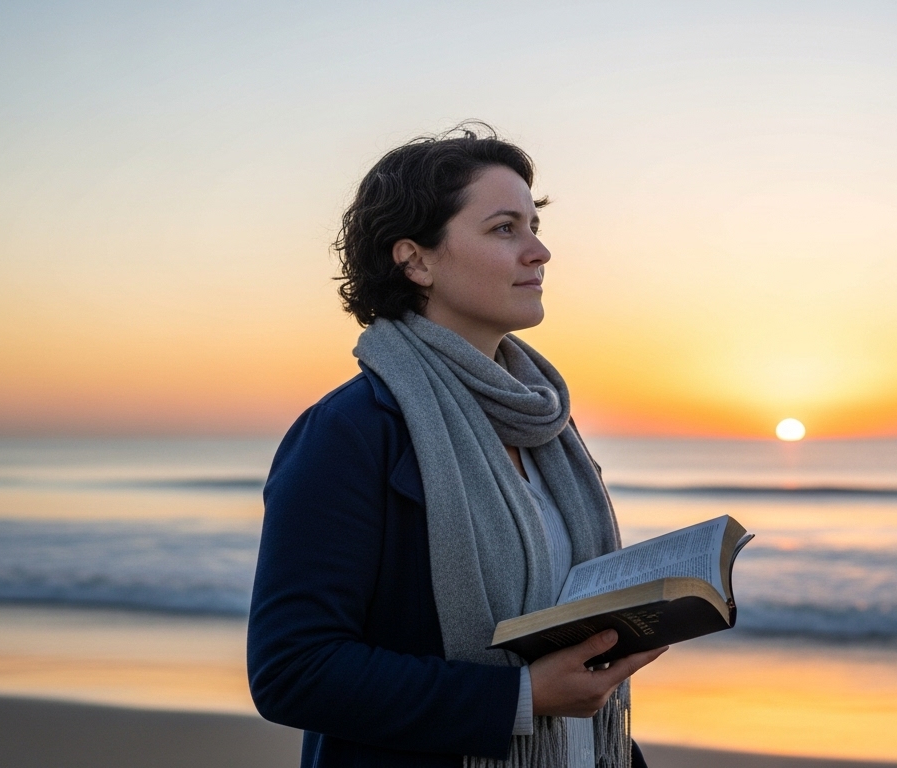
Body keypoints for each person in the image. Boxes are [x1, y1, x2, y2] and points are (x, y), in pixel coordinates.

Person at [247, 124, 666, 768]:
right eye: (504, 229)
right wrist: (520, 698)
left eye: (534, 225)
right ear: (415, 260)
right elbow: (293, 669)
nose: (540, 251)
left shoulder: (544, 422)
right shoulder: (352, 431)